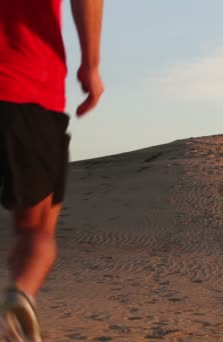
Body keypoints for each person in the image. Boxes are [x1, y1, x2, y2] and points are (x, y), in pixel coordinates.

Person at [0, 0, 104, 340]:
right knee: (36, 233)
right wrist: (90, 64)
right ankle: (19, 301)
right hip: (26, 89)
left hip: (25, 90)